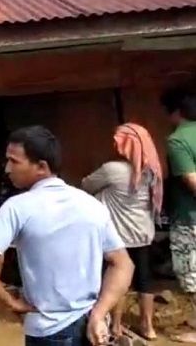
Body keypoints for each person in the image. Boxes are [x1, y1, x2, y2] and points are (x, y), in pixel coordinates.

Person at [0, 126, 134, 346]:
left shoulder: (17, 207)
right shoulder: (91, 205)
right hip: (93, 328)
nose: (7, 169)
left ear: (41, 167)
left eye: (14, 161)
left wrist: (10, 302)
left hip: (48, 331)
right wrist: (99, 313)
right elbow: (123, 264)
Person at [82, 123, 163, 341]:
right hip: (143, 233)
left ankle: (116, 326)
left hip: (118, 235)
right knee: (145, 278)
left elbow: (86, 186)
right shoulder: (152, 169)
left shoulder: (112, 170)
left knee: (116, 276)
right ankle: (148, 326)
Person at [161, 87, 196, 343]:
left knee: (190, 272)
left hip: (189, 218)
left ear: (176, 113)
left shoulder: (177, 140)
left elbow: (192, 181)